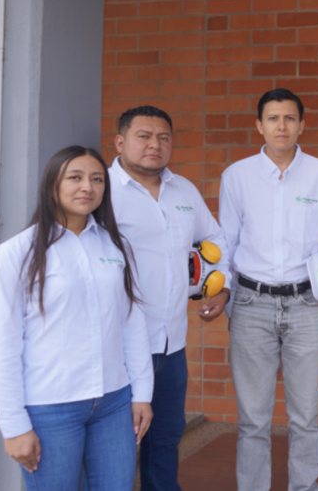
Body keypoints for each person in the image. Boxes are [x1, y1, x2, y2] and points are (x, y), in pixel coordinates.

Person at [220, 88, 318, 491]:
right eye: (273, 118)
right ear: (259, 125)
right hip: (251, 303)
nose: (281, 126)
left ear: (302, 125)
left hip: (307, 305)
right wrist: (226, 298)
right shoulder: (236, 176)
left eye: (289, 118)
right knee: (252, 419)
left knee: (305, 416)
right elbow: (226, 244)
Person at [0, 146, 153, 490]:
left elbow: (132, 325)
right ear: (52, 186)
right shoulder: (15, 254)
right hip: (50, 407)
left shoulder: (115, 246)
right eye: (75, 177)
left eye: (97, 179)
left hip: (113, 402)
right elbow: (3, 347)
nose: (87, 187)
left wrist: (142, 394)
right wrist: (14, 426)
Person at [109, 106, 231, 491]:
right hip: (117, 348)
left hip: (171, 345)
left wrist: (221, 286)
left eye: (163, 137)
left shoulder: (184, 190)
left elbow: (215, 240)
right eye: (143, 136)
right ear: (120, 142)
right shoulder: (102, 191)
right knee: (116, 447)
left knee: (164, 440)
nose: (155, 145)